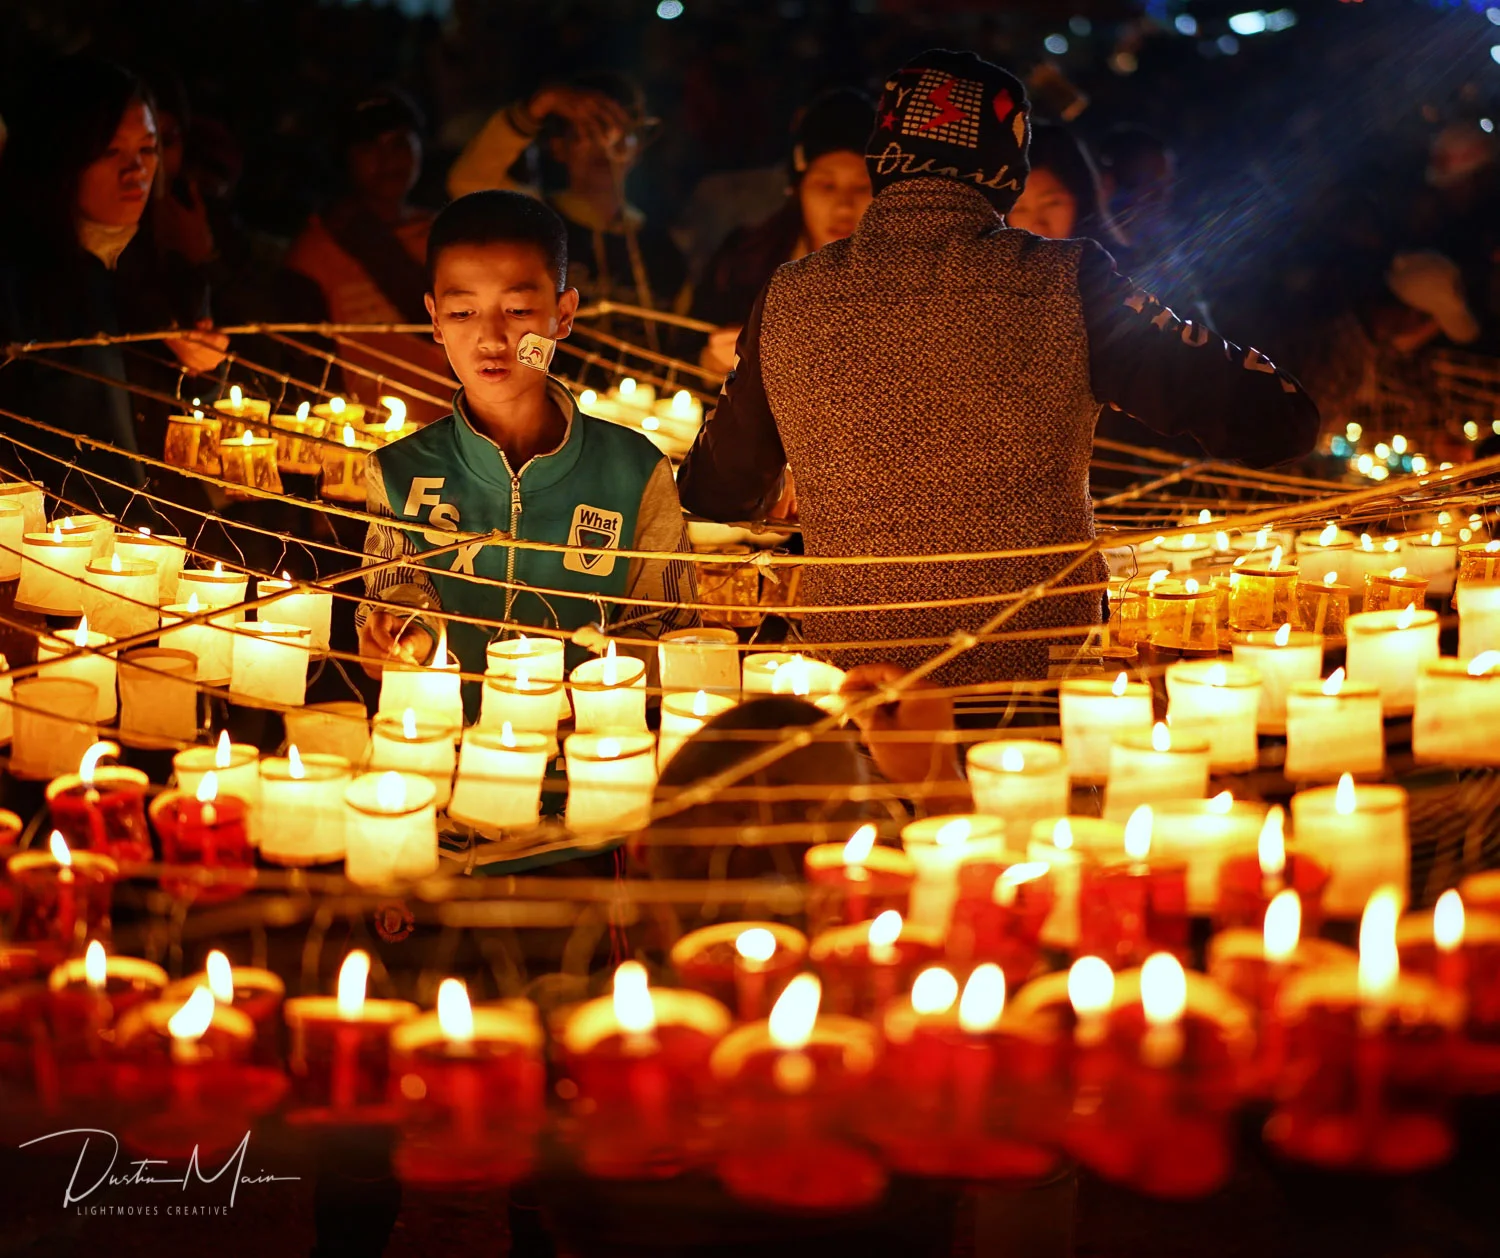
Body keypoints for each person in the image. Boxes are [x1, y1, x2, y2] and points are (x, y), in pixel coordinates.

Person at [676, 49, 1320, 685]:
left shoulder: (792, 291)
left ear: (882, 158)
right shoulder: (1065, 280)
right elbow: (1274, 421)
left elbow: (714, 489)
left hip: (858, 675)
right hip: (1034, 670)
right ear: (1008, 165)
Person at [355, 190, 697, 707]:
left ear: (562, 314)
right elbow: (395, 595)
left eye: (517, 310)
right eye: (463, 311)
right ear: (434, 318)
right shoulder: (400, 471)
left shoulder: (634, 470)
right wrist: (402, 632)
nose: (491, 338)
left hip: (592, 755)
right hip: (444, 755)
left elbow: (672, 629)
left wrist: (588, 686)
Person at [0, 55, 228, 520]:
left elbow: (190, 433)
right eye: (111, 153)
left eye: (146, 151)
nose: (135, 172)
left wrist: (201, 370)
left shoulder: (164, 271)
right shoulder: (18, 282)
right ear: (61, 158)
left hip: (159, 542)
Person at [446, 73, 688, 344]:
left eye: (619, 133)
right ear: (559, 147)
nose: (604, 145)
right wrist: (539, 106)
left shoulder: (665, 248)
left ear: (637, 147)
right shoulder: (532, 222)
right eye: (588, 131)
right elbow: (468, 183)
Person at [285, 91, 455, 423]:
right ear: (344, 158)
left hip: (449, 430)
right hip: (358, 439)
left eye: (399, 144)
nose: (387, 159)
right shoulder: (318, 248)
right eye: (369, 148)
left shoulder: (447, 234)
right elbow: (305, 361)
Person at [693, 89, 876, 374]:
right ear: (798, 190)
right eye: (826, 186)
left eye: (862, 187)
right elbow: (683, 350)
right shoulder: (744, 262)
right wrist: (713, 362)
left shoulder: (903, 285)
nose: (843, 206)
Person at [1006, 122, 1119, 247]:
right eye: (1019, 209)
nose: (1038, 224)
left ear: (1082, 197)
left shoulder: (1120, 263)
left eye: (1052, 203)